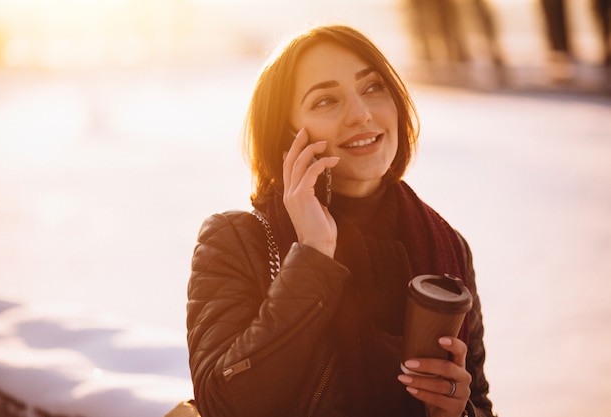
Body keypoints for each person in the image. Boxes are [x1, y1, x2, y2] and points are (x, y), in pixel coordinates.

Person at [186, 24, 495, 417]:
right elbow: (224, 405)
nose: (361, 114)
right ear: (288, 134)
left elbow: (479, 401)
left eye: (372, 88)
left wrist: (458, 411)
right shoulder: (234, 241)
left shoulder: (448, 247)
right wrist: (313, 255)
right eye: (325, 101)